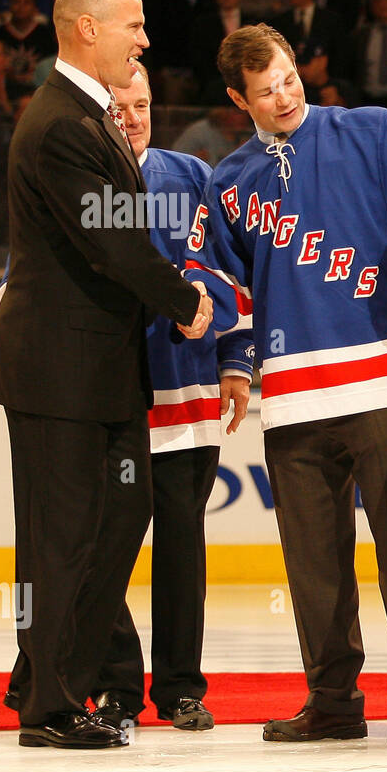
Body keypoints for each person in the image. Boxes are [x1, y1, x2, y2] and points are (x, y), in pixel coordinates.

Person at [185, 23, 387, 743]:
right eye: (266, 89)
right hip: (294, 392)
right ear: (236, 98)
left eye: (288, 78)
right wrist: (230, 353)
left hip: (381, 378)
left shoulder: (368, 132)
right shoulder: (229, 180)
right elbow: (217, 280)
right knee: (313, 561)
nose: (283, 96)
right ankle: (333, 699)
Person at [0, 0, 212, 749]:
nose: (144, 40)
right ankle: (48, 704)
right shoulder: (61, 124)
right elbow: (114, 241)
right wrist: (185, 299)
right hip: (59, 374)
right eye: (134, 25)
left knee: (117, 517)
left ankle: (58, 681)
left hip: (98, 375)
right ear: (86, 29)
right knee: (62, 538)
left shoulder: (89, 116)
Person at [88, 64, 254, 732]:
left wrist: (237, 360)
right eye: (118, 106)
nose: (132, 116)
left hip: (186, 405)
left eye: (143, 104)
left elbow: (230, 273)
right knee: (104, 554)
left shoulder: (192, 177)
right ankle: (119, 685)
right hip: (107, 407)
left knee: (182, 554)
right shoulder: (80, 178)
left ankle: (182, 687)